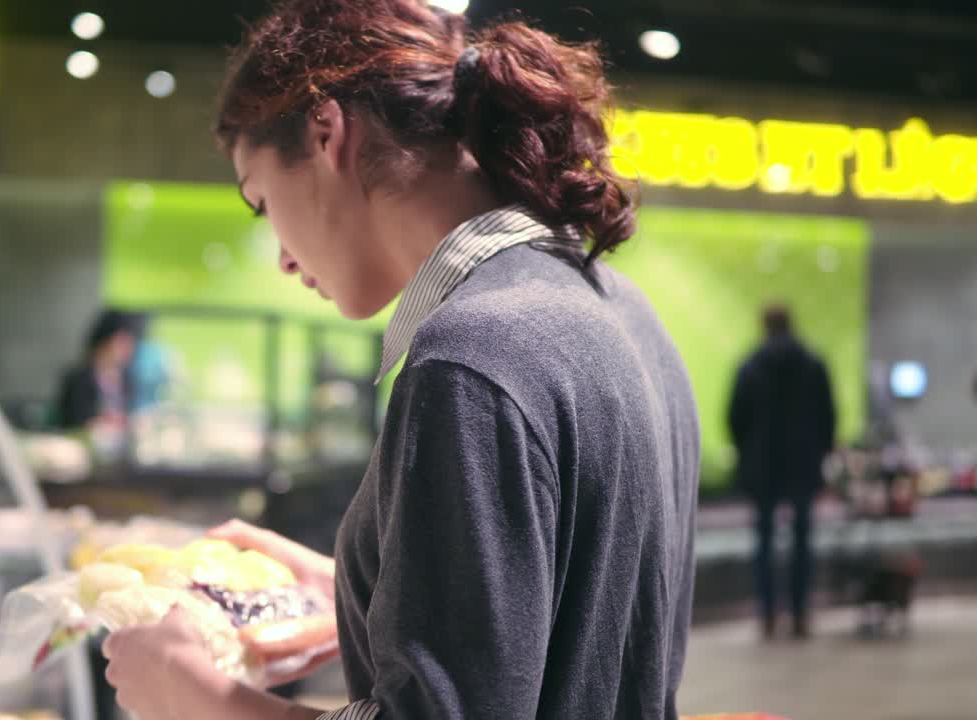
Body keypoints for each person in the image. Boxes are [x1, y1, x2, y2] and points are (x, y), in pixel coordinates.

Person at [98, 2, 700, 719]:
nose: (285, 257)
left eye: (262, 202)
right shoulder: (621, 309)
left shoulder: (472, 353)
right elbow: (572, 628)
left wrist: (200, 698)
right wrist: (369, 591)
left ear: (327, 132)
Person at [729, 304, 836, 639]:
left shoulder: (750, 366)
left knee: (764, 541)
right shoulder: (813, 364)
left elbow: (734, 417)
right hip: (802, 464)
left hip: (763, 467)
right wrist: (820, 452)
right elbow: (828, 416)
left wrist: (748, 452)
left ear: (765, 326)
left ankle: (768, 615)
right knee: (803, 539)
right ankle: (801, 613)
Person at [54, 308, 164, 430]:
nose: (128, 348)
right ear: (106, 339)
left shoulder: (126, 377)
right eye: (122, 341)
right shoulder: (80, 379)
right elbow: (76, 422)